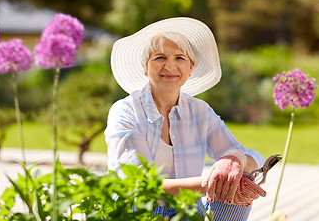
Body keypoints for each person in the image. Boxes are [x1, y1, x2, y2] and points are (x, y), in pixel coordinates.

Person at [105, 17, 266, 221]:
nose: (170, 66)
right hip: (137, 211)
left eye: (180, 58)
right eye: (160, 57)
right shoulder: (125, 111)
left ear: (191, 68)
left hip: (188, 213)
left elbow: (254, 158)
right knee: (228, 182)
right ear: (145, 67)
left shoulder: (199, 111)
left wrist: (235, 159)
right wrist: (211, 182)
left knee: (238, 183)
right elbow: (139, 185)